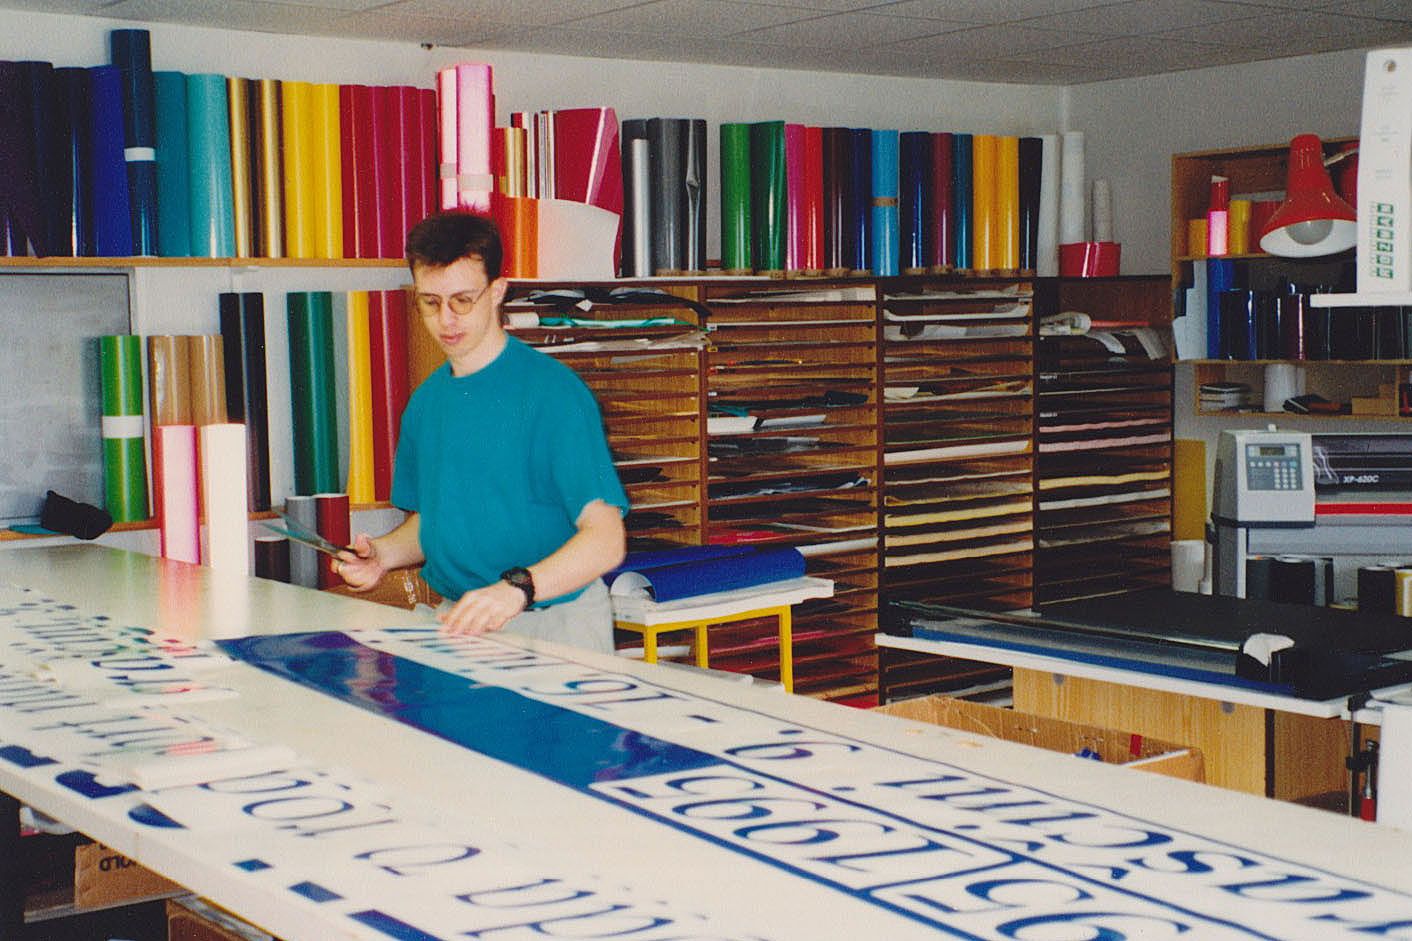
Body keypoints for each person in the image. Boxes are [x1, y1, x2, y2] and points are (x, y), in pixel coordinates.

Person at [332, 211, 628, 652]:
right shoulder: (426, 404)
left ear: (497, 292)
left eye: (462, 300)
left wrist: (518, 588)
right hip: (463, 622)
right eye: (430, 302)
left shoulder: (553, 395)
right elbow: (438, 519)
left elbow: (605, 540)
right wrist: (383, 556)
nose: (446, 320)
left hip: (553, 623)